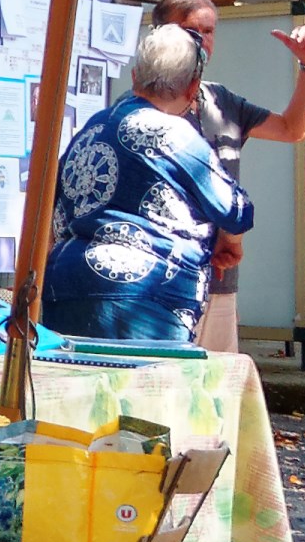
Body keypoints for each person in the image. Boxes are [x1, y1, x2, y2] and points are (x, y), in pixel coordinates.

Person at [41, 24, 255, 346]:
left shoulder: (94, 126)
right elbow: (235, 210)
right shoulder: (175, 134)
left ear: (135, 77)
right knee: (147, 391)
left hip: (67, 284)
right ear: (192, 86)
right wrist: (231, 242)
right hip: (149, 295)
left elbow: (52, 205)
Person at [148, 0, 305, 353]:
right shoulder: (139, 108)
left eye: (210, 32)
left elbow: (293, 129)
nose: (204, 42)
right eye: (193, 31)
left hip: (219, 283)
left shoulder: (221, 101)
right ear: (161, 35)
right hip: (159, 283)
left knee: (216, 395)